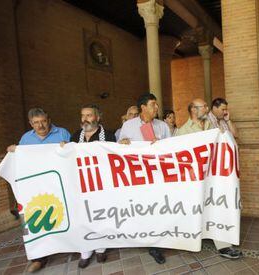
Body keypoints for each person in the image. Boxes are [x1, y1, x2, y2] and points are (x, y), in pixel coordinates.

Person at [176, 98, 243, 260]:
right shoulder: (182, 131)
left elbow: (230, 139)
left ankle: (223, 245)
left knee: (216, 206)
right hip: (195, 180)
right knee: (197, 208)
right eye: (204, 106)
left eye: (207, 106)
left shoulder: (212, 126)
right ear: (193, 110)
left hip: (214, 178)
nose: (207, 109)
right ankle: (189, 238)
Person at [7, 108, 71, 273]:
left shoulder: (62, 133)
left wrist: (69, 147)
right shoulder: (26, 139)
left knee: (68, 215)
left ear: (48, 119)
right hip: (36, 187)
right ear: (31, 124)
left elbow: (73, 155)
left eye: (43, 121)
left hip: (60, 183)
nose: (40, 125)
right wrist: (15, 151)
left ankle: (74, 244)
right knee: (33, 219)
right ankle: (38, 257)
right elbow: (21, 162)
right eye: (36, 123)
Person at [118, 93, 169, 264]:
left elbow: (173, 150)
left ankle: (156, 245)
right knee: (142, 210)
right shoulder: (128, 126)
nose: (157, 108)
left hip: (158, 176)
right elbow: (119, 150)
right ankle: (143, 238)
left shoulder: (162, 126)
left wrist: (160, 146)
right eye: (153, 104)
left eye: (156, 105)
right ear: (143, 107)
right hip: (137, 178)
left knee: (157, 210)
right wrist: (123, 145)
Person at [69, 104, 115, 268]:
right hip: (81, 184)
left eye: (89, 115)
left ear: (98, 117)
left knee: (100, 215)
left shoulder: (108, 135)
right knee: (83, 217)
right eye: (83, 115)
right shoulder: (75, 136)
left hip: (102, 184)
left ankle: (101, 248)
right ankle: (85, 251)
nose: (85, 119)